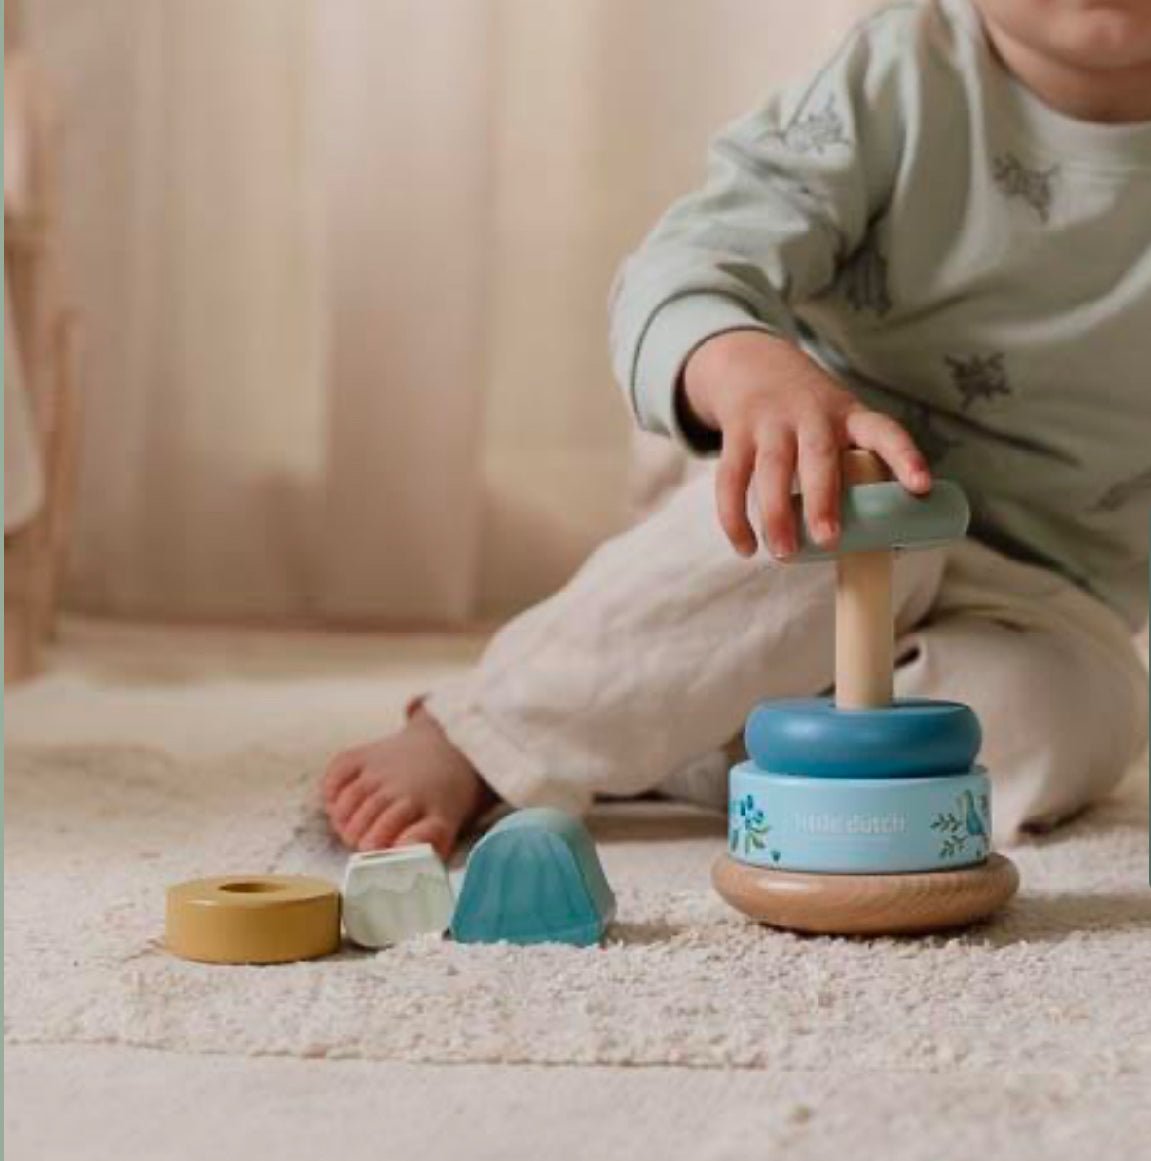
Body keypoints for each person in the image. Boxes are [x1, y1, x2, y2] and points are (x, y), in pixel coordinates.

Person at [322, 0, 1151, 858]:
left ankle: (713, 736)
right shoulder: (895, 76)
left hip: (1046, 595)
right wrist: (745, 371)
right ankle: (486, 729)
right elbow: (689, 264)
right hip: (826, 497)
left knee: (1051, 718)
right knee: (788, 547)